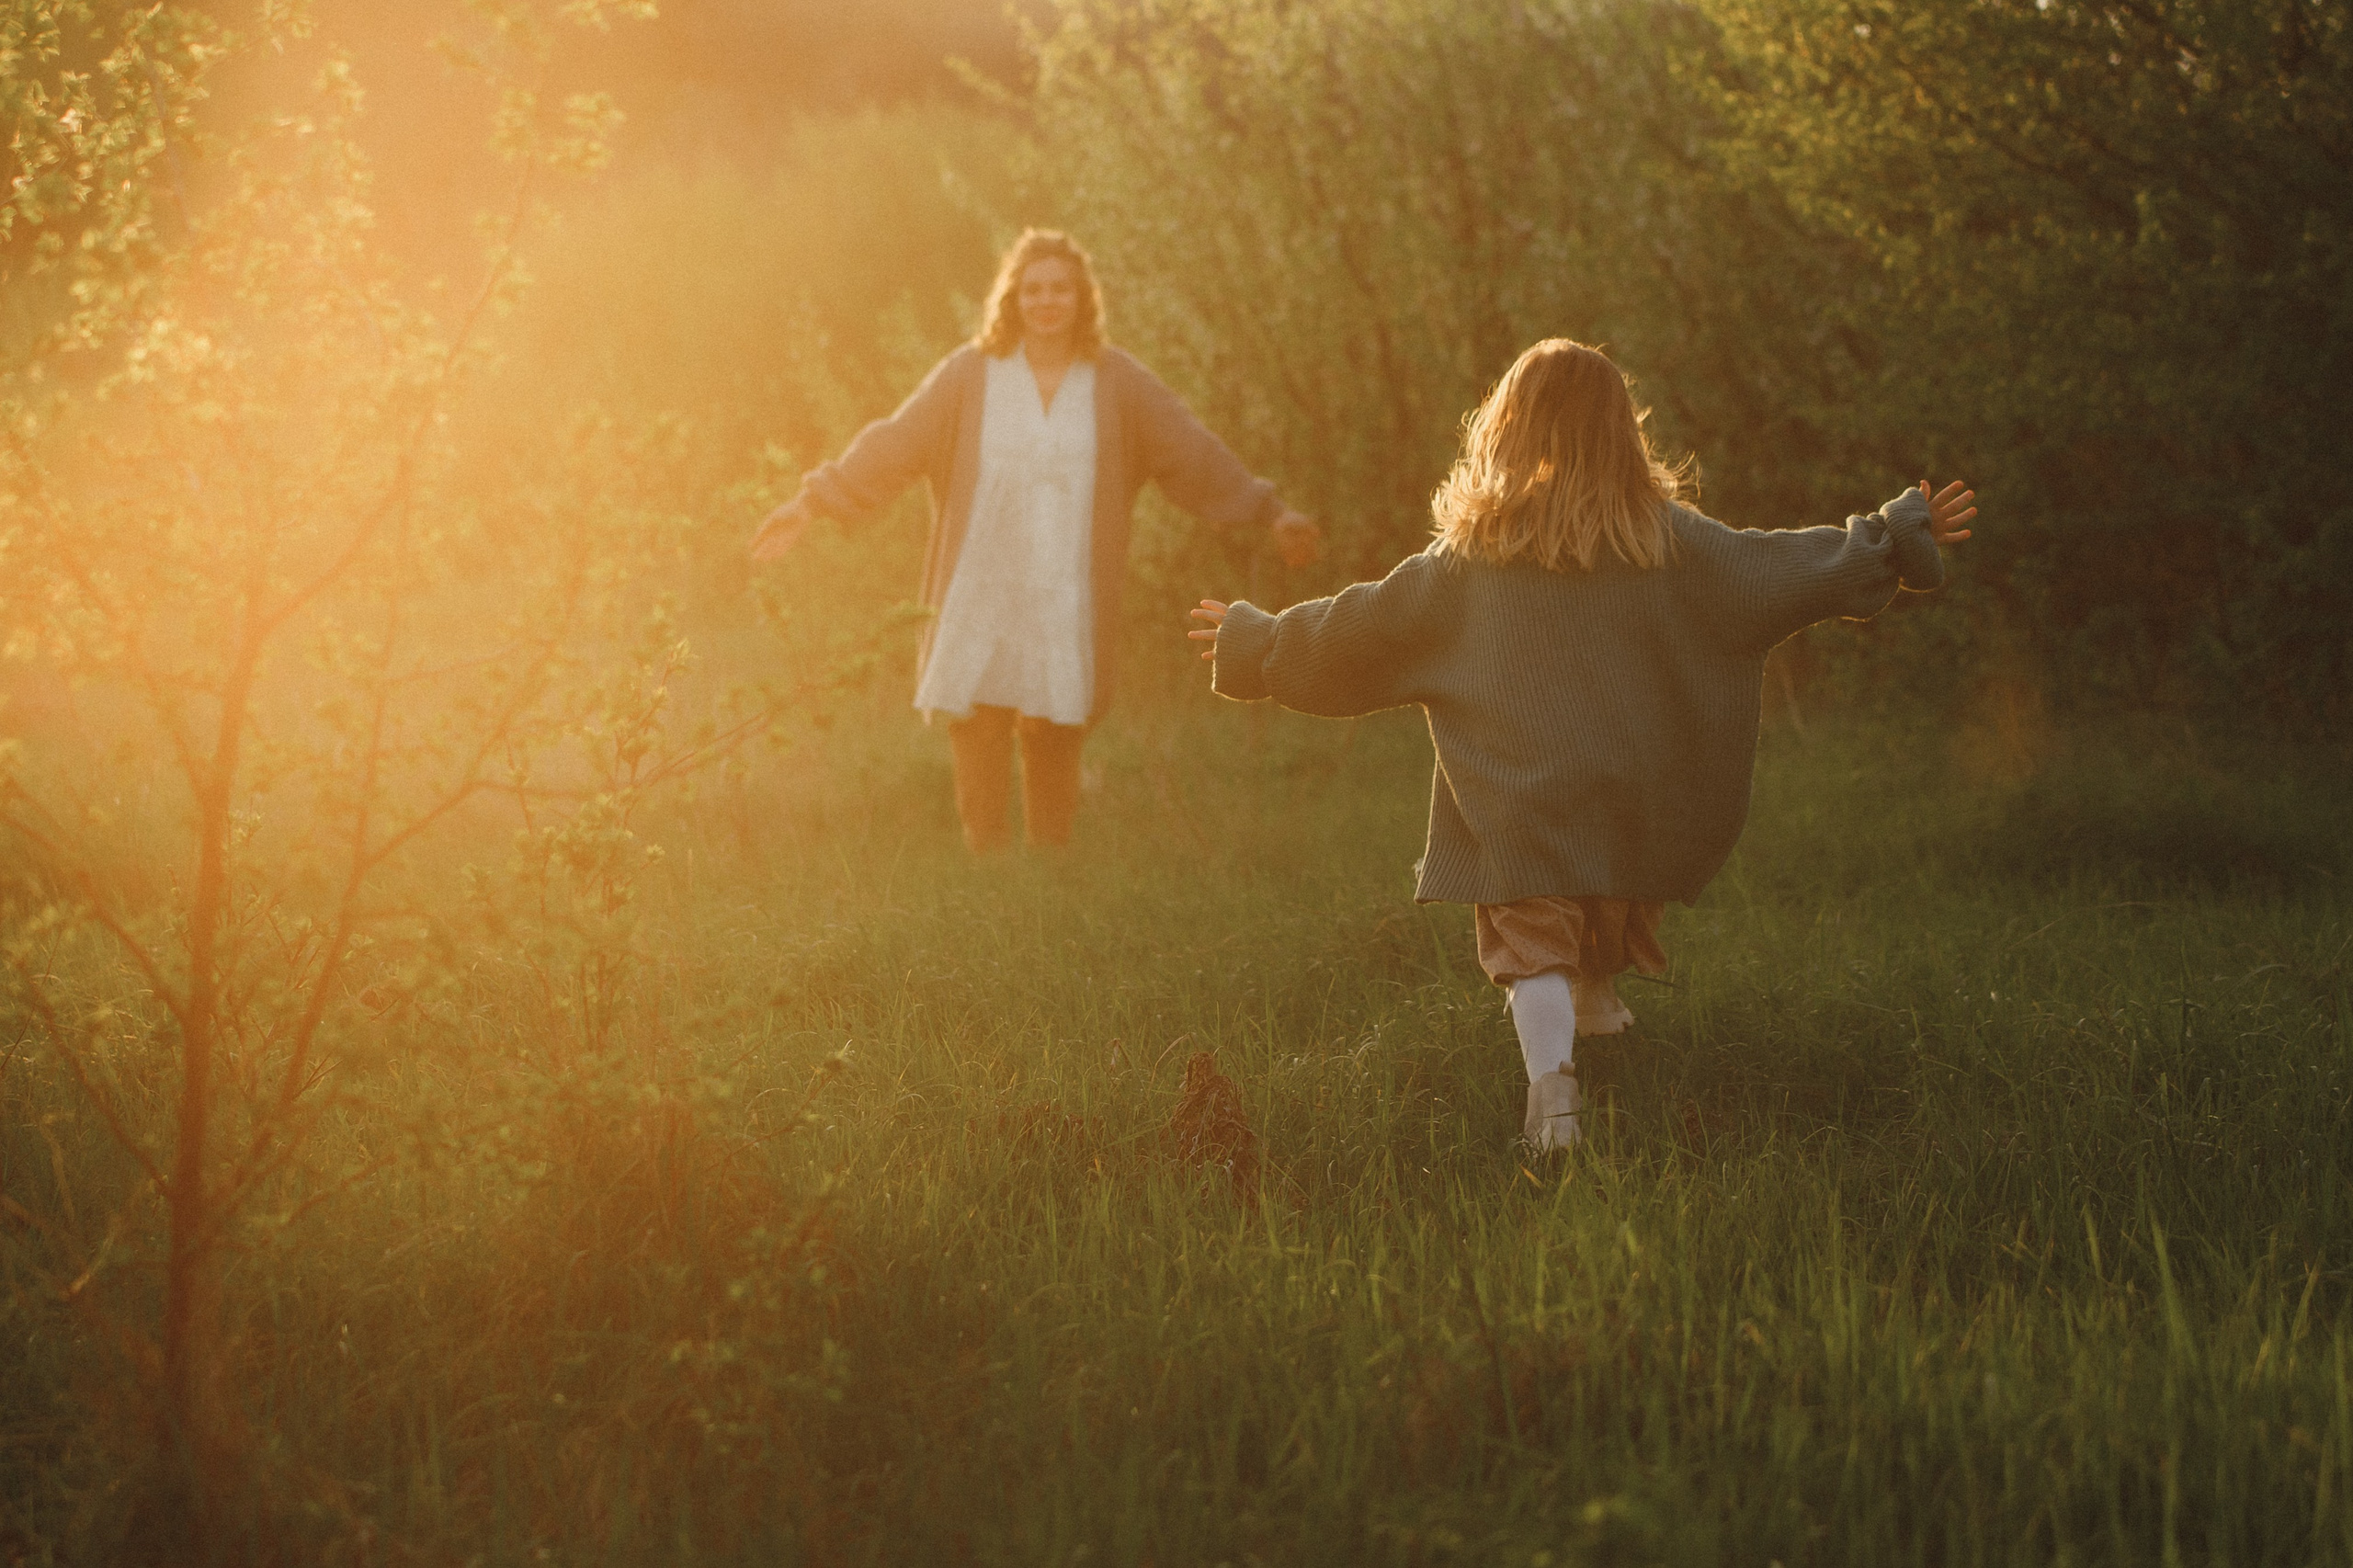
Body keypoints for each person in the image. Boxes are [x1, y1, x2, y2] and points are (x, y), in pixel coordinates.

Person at [1188, 339, 1975, 1152]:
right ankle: (1601, 1029)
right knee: (1596, 912)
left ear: (1506, 428)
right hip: (1631, 789)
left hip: (1524, 796)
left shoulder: (1470, 557)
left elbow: (1363, 627)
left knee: (1534, 947)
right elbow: (1778, 565)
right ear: (1621, 433)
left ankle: (1552, 1097)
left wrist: (1262, 642)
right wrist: (1889, 534)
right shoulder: (1669, 541)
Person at [752, 229, 1318, 853]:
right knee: (978, 718)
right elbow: (897, 440)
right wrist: (812, 501)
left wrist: (1268, 510)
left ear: (1082, 299)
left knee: (1056, 721)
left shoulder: (1114, 381)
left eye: (1060, 289)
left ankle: (1052, 867)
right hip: (981, 579)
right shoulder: (972, 373)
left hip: (1067, 586)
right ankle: (987, 866)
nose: (1047, 301)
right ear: (1013, 297)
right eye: (1034, 289)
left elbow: (1189, 448)